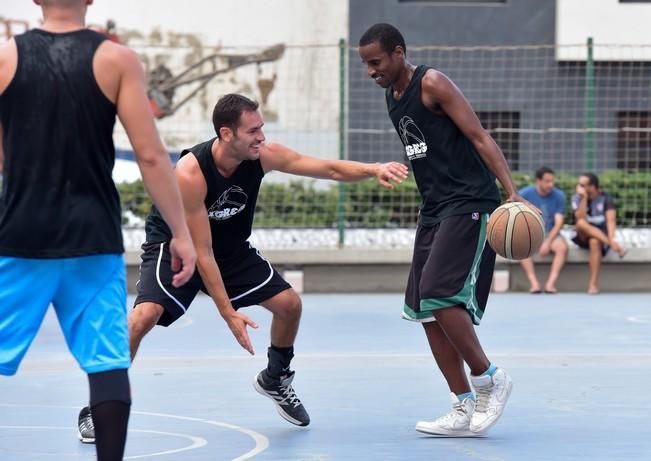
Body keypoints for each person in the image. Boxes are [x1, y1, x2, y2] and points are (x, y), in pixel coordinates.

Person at [76, 92, 409, 440]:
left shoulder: (262, 156)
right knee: (144, 316)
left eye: (261, 128)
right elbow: (202, 253)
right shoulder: (191, 172)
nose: (261, 137)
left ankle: (275, 378)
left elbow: (327, 168)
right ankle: (98, 406)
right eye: (253, 131)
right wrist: (228, 312)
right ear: (226, 134)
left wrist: (374, 169)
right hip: (179, 242)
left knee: (289, 305)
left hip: (230, 248)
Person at [0, 1, 196, 461]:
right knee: (107, 362)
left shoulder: (5, 58)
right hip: (93, 235)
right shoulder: (117, 59)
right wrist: (181, 233)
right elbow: (150, 156)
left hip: (22, 234)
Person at [358, 23, 532, 437]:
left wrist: (511, 193)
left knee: (439, 292)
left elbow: (478, 136)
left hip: (471, 203)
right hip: (434, 209)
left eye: (376, 62)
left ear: (399, 53)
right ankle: (462, 405)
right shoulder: (392, 96)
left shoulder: (432, 83)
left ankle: (489, 378)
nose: (371, 71)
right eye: (365, 64)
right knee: (423, 308)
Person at [571, 172, 626, 294]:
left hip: (600, 236)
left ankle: (593, 284)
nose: (579, 187)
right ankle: (613, 246)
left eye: (582, 185)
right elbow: (580, 218)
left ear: (592, 187)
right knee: (580, 223)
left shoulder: (606, 199)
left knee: (595, 242)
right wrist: (583, 198)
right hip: (582, 235)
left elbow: (611, 221)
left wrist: (611, 237)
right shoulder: (577, 198)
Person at [519, 166, 568, 294]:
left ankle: (550, 284)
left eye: (552, 181)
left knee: (562, 247)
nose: (550, 184)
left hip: (551, 234)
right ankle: (534, 283)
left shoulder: (559, 196)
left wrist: (547, 242)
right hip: (531, 233)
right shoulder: (524, 194)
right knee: (521, 247)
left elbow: (558, 223)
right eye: (547, 181)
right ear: (538, 181)